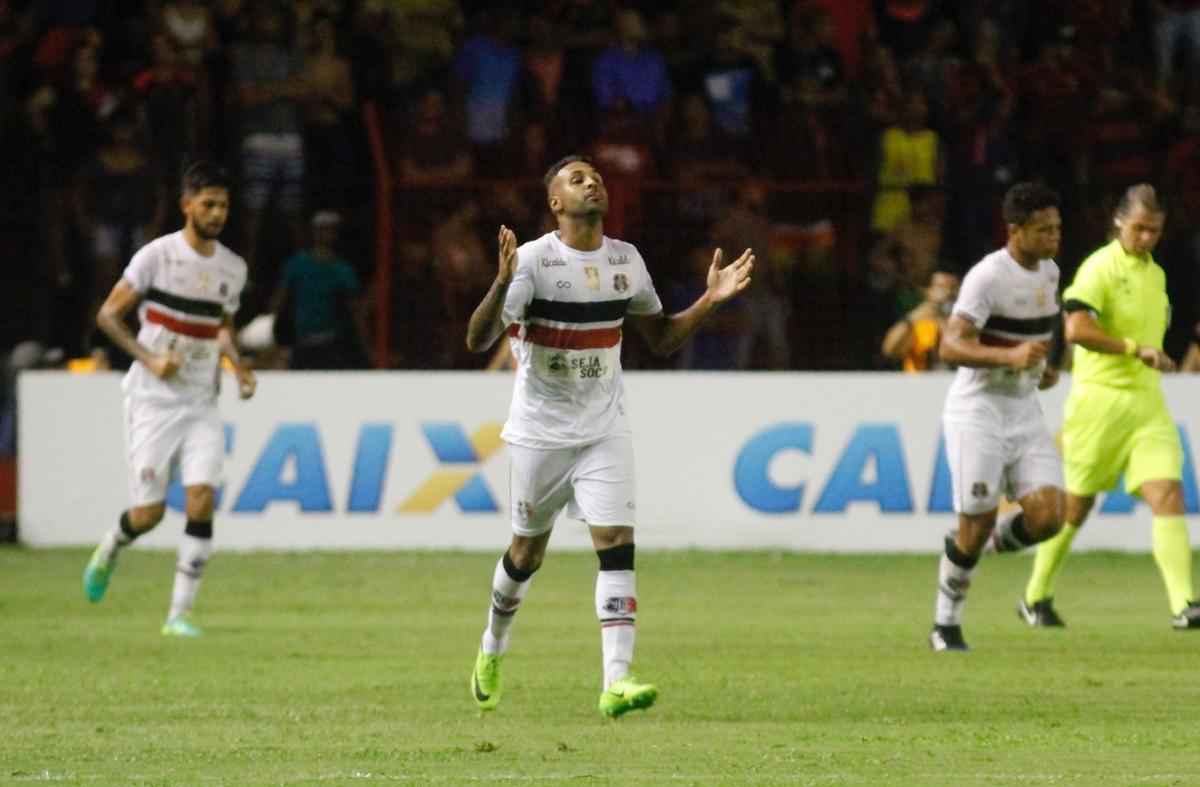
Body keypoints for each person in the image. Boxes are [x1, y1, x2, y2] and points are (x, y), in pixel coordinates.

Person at [463, 155, 753, 716]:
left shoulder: (627, 260)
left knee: (617, 543)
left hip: (604, 429)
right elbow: (477, 340)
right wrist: (500, 285)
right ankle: (491, 647)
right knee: (526, 552)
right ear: (555, 203)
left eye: (595, 176)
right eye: (577, 179)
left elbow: (662, 339)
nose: (591, 181)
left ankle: (616, 679)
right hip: (540, 434)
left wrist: (709, 301)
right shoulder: (530, 262)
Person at [81, 161, 256, 637]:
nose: (217, 213)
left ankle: (178, 614)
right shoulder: (155, 257)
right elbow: (108, 315)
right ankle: (112, 545)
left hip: (201, 400)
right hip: (153, 399)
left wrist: (237, 367)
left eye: (223, 205)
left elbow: (222, 326)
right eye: (208, 204)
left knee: (201, 500)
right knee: (149, 514)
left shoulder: (232, 269)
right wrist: (149, 358)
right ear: (187, 205)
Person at [1020, 184, 1200, 629]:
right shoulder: (1098, 268)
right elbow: (1077, 329)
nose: (1145, 238)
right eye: (1138, 228)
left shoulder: (1156, 275)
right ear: (1119, 221)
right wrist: (1133, 348)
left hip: (1147, 404)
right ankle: (1035, 595)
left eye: (1153, 231)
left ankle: (1185, 604)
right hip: (1098, 403)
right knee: (1077, 507)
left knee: (1168, 493)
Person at [929, 182, 1067, 652]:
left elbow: (1043, 328)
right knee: (977, 521)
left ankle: (976, 543)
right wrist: (1010, 359)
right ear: (1015, 230)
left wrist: (1046, 368)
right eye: (1044, 229)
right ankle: (945, 625)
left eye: (1057, 228)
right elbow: (949, 345)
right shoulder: (987, 276)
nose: (1054, 237)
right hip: (978, 411)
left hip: (1024, 410)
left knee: (1049, 517)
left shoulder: (1050, 273)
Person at [270, 210, 369, 370]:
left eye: (330, 229)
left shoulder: (343, 270)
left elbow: (356, 313)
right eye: (322, 229)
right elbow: (279, 301)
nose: (326, 233)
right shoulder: (296, 264)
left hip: (330, 345)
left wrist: (365, 347)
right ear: (314, 232)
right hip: (301, 344)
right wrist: (272, 340)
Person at [880, 269, 960, 372]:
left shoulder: (964, 323)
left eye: (953, 288)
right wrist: (915, 317)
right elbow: (890, 351)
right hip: (919, 384)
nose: (948, 293)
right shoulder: (918, 323)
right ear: (928, 291)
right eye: (941, 287)